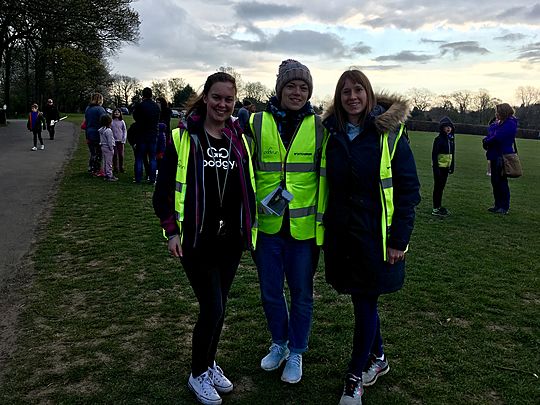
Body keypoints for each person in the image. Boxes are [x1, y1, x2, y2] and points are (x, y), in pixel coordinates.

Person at [152, 72, 256, 405]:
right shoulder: (183, 137)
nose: (222, 104)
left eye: (229, 99)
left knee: (220, 308)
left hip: (231, 239)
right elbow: (163, 191)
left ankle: (209, 363)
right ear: (205, 97)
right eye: (216, 97)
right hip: (196, 239)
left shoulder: (238, 138)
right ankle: (197, 372)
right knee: (211, 308)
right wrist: (171, 231)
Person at [321, 69, 420, 405]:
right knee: (360, 300)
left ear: (370, 95)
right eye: (345, 91)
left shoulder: (388, 134)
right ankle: (379, 359)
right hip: (342, 236)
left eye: (358, 90)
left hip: (376, 238)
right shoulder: (330, 134)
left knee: (365, 301)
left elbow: (408, 190)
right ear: (338, 97)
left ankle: (354, 376)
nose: (352, 97)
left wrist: (399, 240)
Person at [246, 59, 326, 384]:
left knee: (302, 293)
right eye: (291, 86)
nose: (297, 92)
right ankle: (279, 343)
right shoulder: (254, 122)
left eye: (303, 87)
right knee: (269, 291)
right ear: (279, 88)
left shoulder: (321, 127)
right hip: (267, 226)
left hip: (303, 230)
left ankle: (297, 351)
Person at [482, 103, 518, 214]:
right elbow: (492, 133)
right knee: (495, 181)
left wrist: (486, 141)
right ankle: (497, 205)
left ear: (503, 112)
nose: (496, 114)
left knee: (501, 182)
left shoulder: (510, 123)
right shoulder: (500, 123)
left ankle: (504, 206)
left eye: (497, 112)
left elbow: (497, 137)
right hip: (495, 154)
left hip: (502, 155)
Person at [133, 87, 160, 184]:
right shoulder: (156, 106)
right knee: (152, 157)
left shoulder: (140, 106)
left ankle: (138, 178)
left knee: (139, 157)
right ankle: (152, 178)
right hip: (152, 134)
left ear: (143, 95)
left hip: (141, 134)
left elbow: (135, 117)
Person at [431, 116, 455, 216]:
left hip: (446, 168)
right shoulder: (438, 139)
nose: (448, 128)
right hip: (439, 168)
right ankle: (436, 208)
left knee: (442, 187)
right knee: (438, 187)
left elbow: (453, 153)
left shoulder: (451, 139)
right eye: (446, 127)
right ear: (442, 128)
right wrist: (436, 169)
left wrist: (452, 166)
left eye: (450, 126)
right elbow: (434, 155)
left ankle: (439, 206)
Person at [84, 93, 107, 176]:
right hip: (97, 132)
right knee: (98, 152)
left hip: (89, 131)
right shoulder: (100, 109)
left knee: (92, 152)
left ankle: (91, 167)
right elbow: (104, 120)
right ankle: (96, 169)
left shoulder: (88, 109)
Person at [98, 114, 118, 182]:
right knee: (109, 162)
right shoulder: (108, 131)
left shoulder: (101, 130)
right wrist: (111, 148)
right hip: (108, 148)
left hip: (103, 147)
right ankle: (109, 175)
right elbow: (109, 141)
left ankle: (105, 173)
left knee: (105, 161)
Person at [111, 108, 127, 173]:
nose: (117, 113)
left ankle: (121, 168)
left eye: (118, 112)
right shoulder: (111, 121)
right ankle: (115, 168)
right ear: (113, 113)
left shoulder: (122, 121)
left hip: (121, 141)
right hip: (113, 141)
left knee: (121, 155)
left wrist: (124, 139)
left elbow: (124, 130)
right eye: (115, 112)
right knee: (114, 155)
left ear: (120, 114)